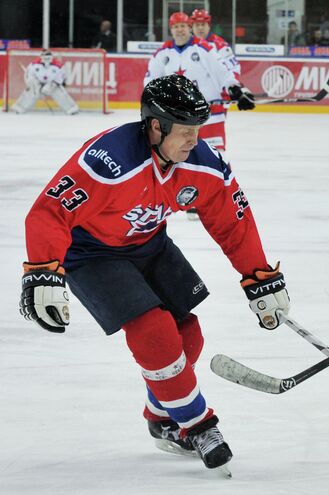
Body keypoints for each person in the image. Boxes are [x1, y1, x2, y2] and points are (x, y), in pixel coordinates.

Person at [19, 74, 290, 475]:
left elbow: (233, 222)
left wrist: (259, 276)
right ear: (155, 125)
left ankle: (161, 417)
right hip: (91, 254)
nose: (193, 141)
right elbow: (49, 212)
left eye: (197, 130)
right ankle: (198, 426)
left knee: (188, 336)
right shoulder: (109, 160)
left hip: (148, 243)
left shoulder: (203, 163)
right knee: (154, 333)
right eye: (184, 132)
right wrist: (44, 271)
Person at [146, 12, 254, 153]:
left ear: (189, 28)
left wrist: (234, 89)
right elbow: (151, 82)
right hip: (179, 118)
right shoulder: (162, 53)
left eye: (183, 26)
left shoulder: (204, 48)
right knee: (182, 161)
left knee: (215, 157)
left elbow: (223, 72)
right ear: (171, 29)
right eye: (176, 26)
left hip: (210, 114)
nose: (179, 30)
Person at [11, 49, 79, 115]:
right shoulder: (33, 65)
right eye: (45, 57)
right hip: (38, 83)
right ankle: (19, 107)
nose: (47, 59)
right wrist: (35, 84)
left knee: (60, 93)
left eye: (48, 57)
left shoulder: (59, 66)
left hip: (52, 84)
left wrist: (52, 85)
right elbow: (28, 76)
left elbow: (62, 78)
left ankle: (71, 109)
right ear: (41, 57)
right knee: (32, 91)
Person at [191, 9, 242, 79]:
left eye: (203, 24)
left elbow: (235, 68)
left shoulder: (220, 44)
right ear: (192, 27)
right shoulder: (186, 44)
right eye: (197, 25)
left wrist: (231, 85)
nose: (200, 28)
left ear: (208, 26)